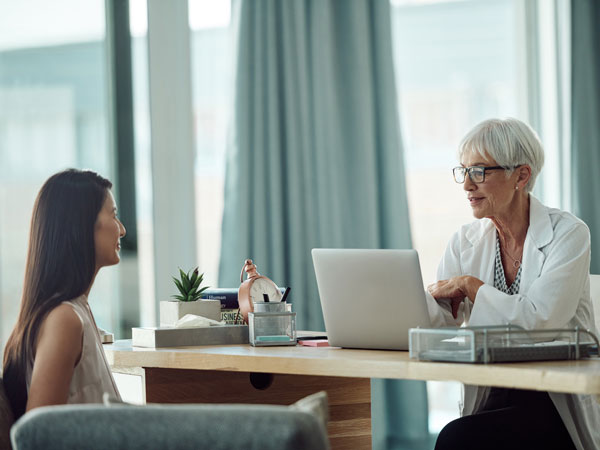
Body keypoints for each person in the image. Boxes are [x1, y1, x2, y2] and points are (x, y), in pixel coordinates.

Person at [426, 118, 599, 450]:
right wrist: (424, 299)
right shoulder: (465, 240)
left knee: (457, 439)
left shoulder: (569, 233)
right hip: (492, 390)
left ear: (521, 175)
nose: (466, 185)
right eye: (463, 172)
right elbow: (437, 321)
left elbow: (541, 320)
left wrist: (472, 286)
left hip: (553, 400)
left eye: (479, 172)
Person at [3, 169, 126, 420]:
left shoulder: (77, 311)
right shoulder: (65, 319)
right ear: (81, 225)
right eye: (113, 215)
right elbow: (39, 432)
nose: (122, 229)